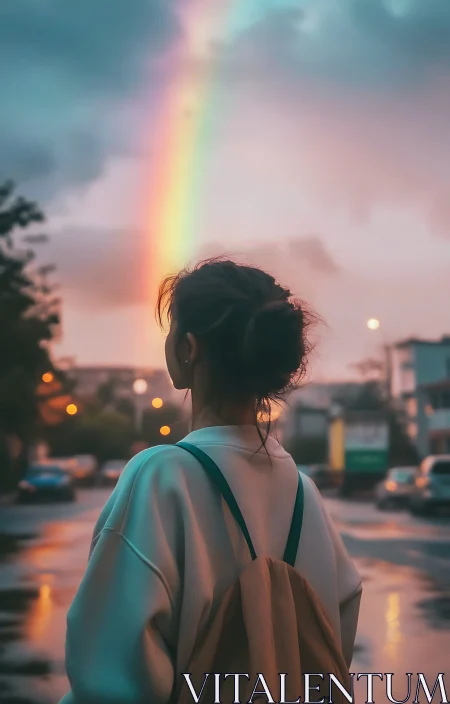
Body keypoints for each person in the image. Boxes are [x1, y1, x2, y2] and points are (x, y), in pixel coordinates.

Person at [60, 258, 362, 704]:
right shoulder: (305, 493)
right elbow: (335, 643)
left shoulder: (161, 477)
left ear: (187, 348)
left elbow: (110, 674)